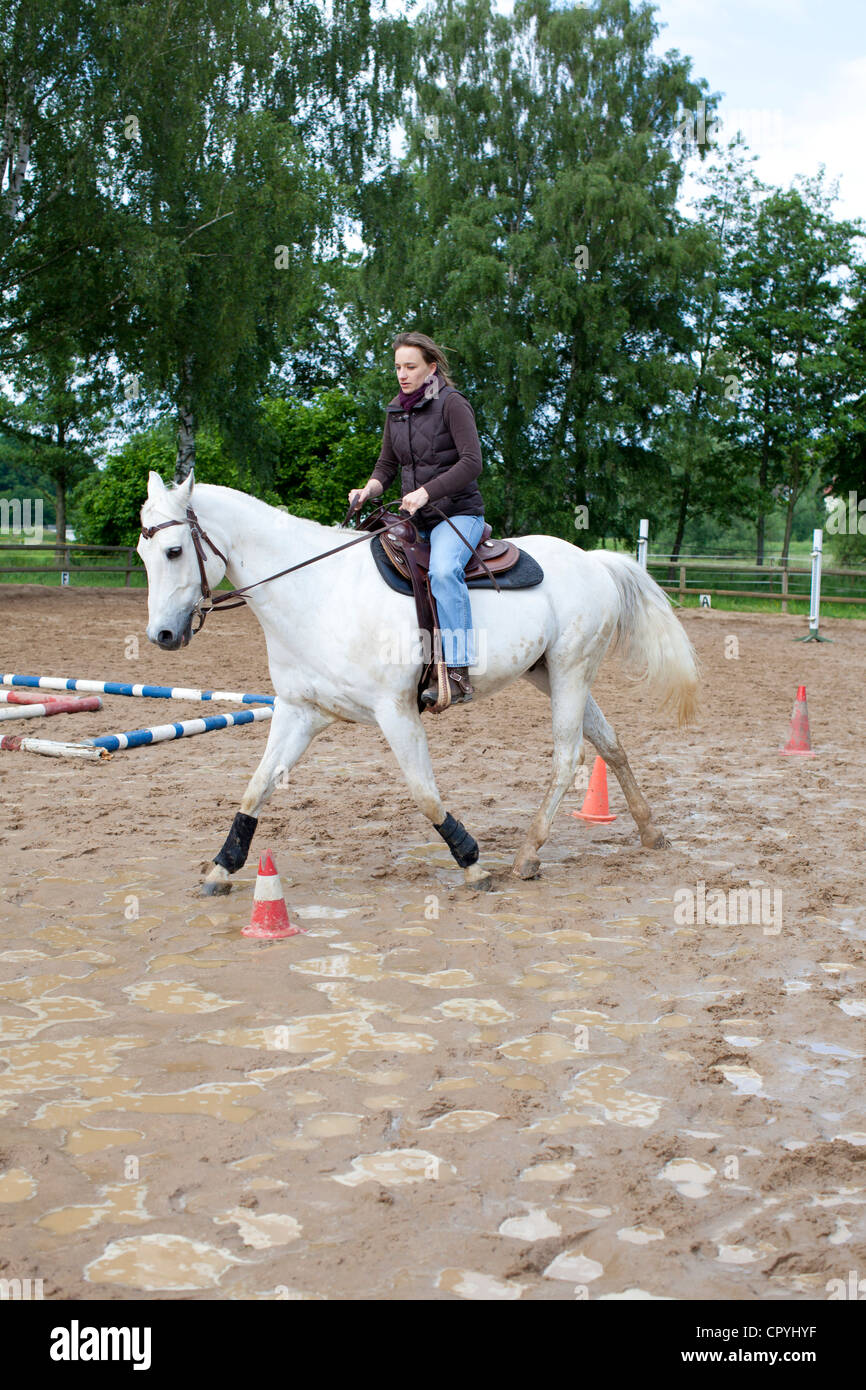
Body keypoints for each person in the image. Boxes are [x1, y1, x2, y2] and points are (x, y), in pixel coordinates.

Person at [349, 331, 485, 709]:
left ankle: (457, 672)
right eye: (397, 367)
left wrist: (428, 492)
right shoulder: (396, 410)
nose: (402, 374)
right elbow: (387, 466)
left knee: (443, 572)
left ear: (431, 367)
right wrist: (368, 490)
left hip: (458, 514)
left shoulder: (452, 404)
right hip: (414, 519)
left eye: (410, 366)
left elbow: (472, 462)